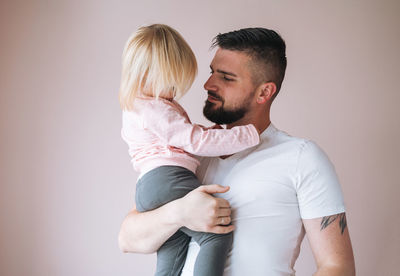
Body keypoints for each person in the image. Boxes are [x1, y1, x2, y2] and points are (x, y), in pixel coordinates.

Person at [119, 27, 355, 276]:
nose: (209, 84)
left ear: (264, 92)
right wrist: (180, 213)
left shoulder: (302, 158)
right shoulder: (187, 153)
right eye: (212, 72)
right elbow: (128, 238)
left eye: (226, 77)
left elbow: (337, 267)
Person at [119, 24, 261, 276]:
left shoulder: (140, 106)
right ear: (145, 75)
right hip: (168, 180)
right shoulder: (154, 107)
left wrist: (213, 133)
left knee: (174, 246)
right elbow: (193, 141)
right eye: (171, 83)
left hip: (150, 186)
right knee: (216, 234)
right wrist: (247, 134)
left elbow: (180, 140)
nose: (174, 93)